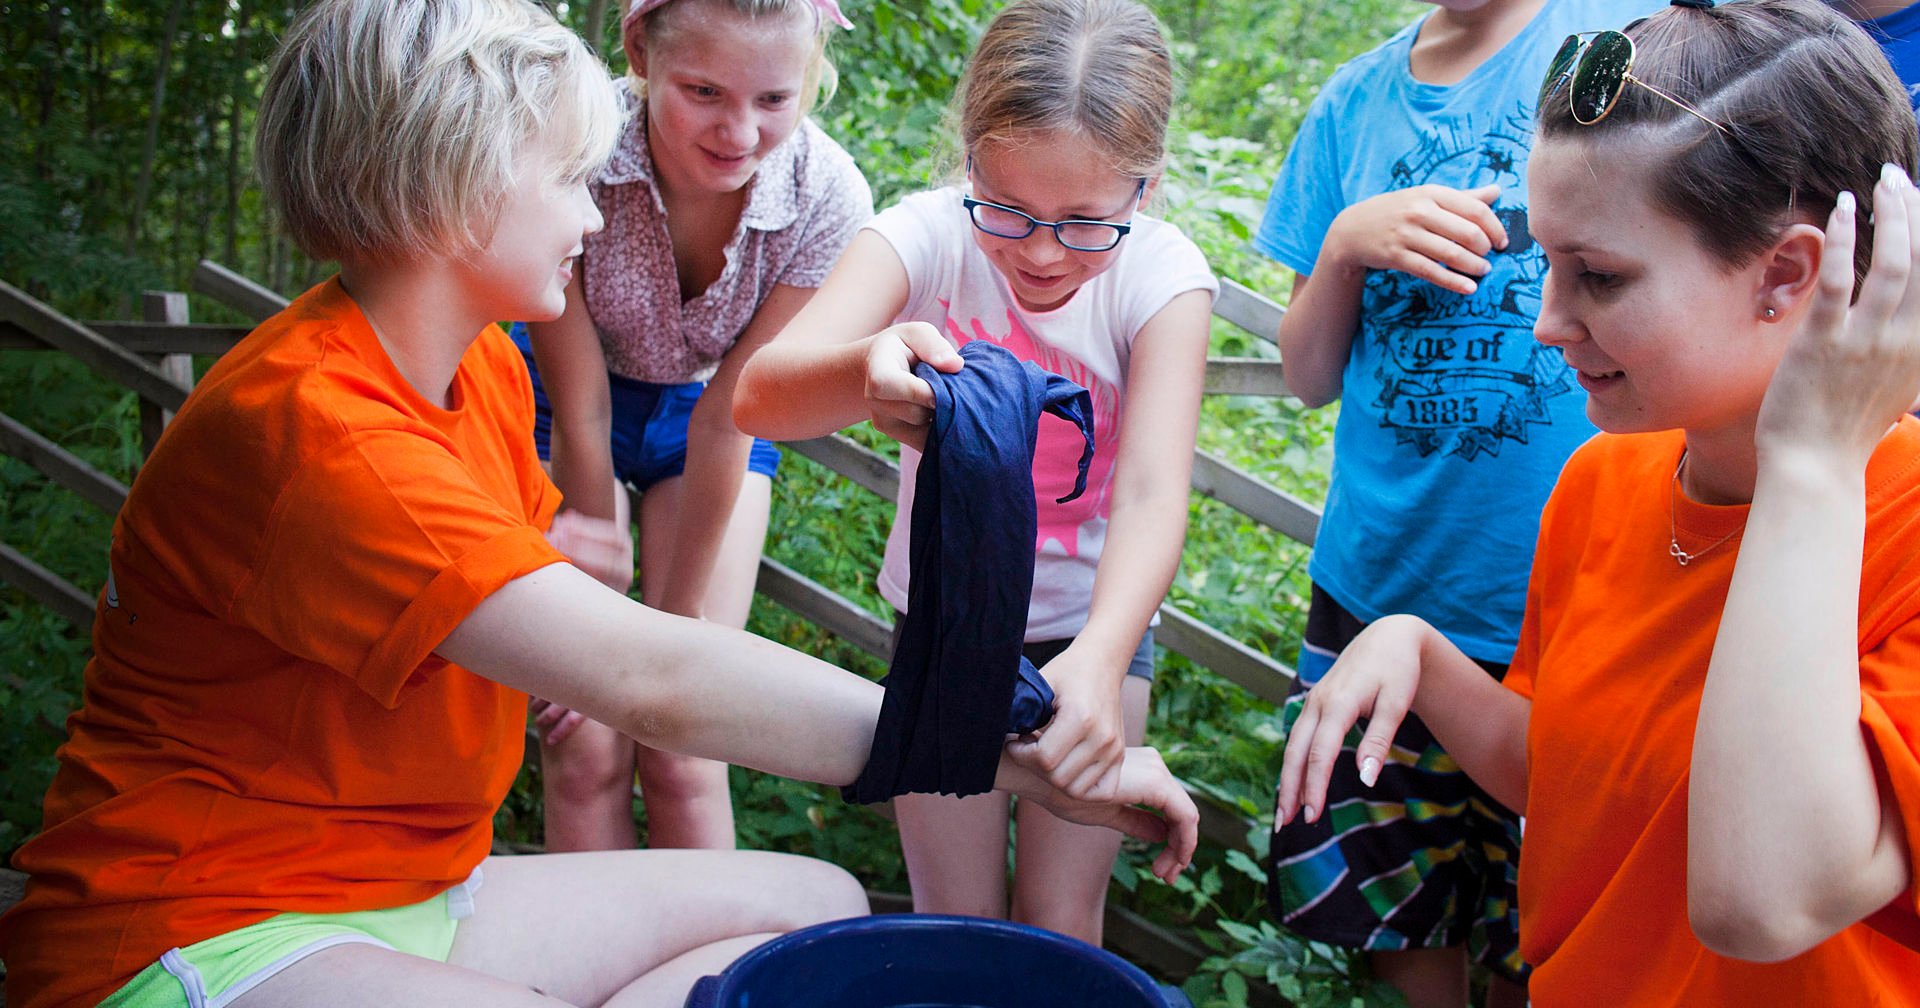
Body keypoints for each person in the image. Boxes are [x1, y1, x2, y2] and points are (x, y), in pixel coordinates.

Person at [0, 2, 1198, 1006]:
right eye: (569, 180)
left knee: (816, 912)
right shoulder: (319, 431)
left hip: (404, 886)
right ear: (451, 189)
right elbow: (651, 678)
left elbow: (614, 637)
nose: (592, 216)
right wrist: (1022, 754)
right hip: (204, 920)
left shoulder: (462, 367)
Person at [1278, 1, 1920, 1003]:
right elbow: (1570, 777)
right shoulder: (1600, 480)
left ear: (1786, 273)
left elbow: (1761, 899)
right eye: (1548, 264)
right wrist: (1423, 653)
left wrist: (1809, 468)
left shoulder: (1906, 533)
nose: (1548, 324)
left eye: (1601, 278)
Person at [733, 0, 1216, 948]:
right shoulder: (926, 236)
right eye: (1008, 209)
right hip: (945, 621)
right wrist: (865, 367)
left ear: (1145, 191)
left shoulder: (1161, 277)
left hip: (1096, 627)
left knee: (1062, 920)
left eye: (1085, 223)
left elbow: (1154, 492)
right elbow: (760, 398)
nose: (1040, 253)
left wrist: (1104, 657)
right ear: (968, 162)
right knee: (949, 917)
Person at [1251, 1, 1655, 1003]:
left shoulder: (1620, 39)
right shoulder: (1353, 101)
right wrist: (1345, 244)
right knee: (1397, 905)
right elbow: (1305, 374)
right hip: (1383, 582)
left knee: (1566, 920)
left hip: (1577, 602)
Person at [515, 0, 872, 854]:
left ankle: (712, 976)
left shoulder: (828, 197)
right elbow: (580, 399)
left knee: (685, 738)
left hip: (710, 417)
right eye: (705, 91)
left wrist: (670, 645)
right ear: (640, 52)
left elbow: (729, 420)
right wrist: (598, 592)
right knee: (584, 739)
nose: (739, 130)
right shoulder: (575, 144)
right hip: (561, 406)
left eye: (774, 100)